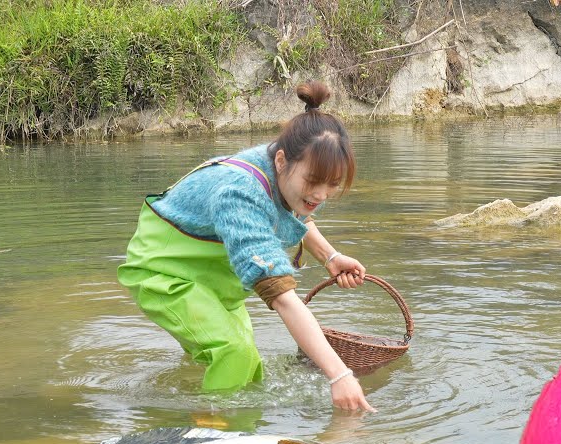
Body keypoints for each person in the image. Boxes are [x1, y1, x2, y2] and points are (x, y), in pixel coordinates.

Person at [118, 81, 375, 411]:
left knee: (250, 369)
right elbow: (282, 298)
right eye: (314, 183)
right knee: (233, 352)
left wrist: (331, 256)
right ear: (281, 161)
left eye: (332, 186)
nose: (321, 195)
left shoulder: (296, 175)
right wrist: (340, 375)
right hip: (163, 270)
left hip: (214, 272)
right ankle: (210, 438)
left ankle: (199, 415)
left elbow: (297, 213)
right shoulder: (240, 194)